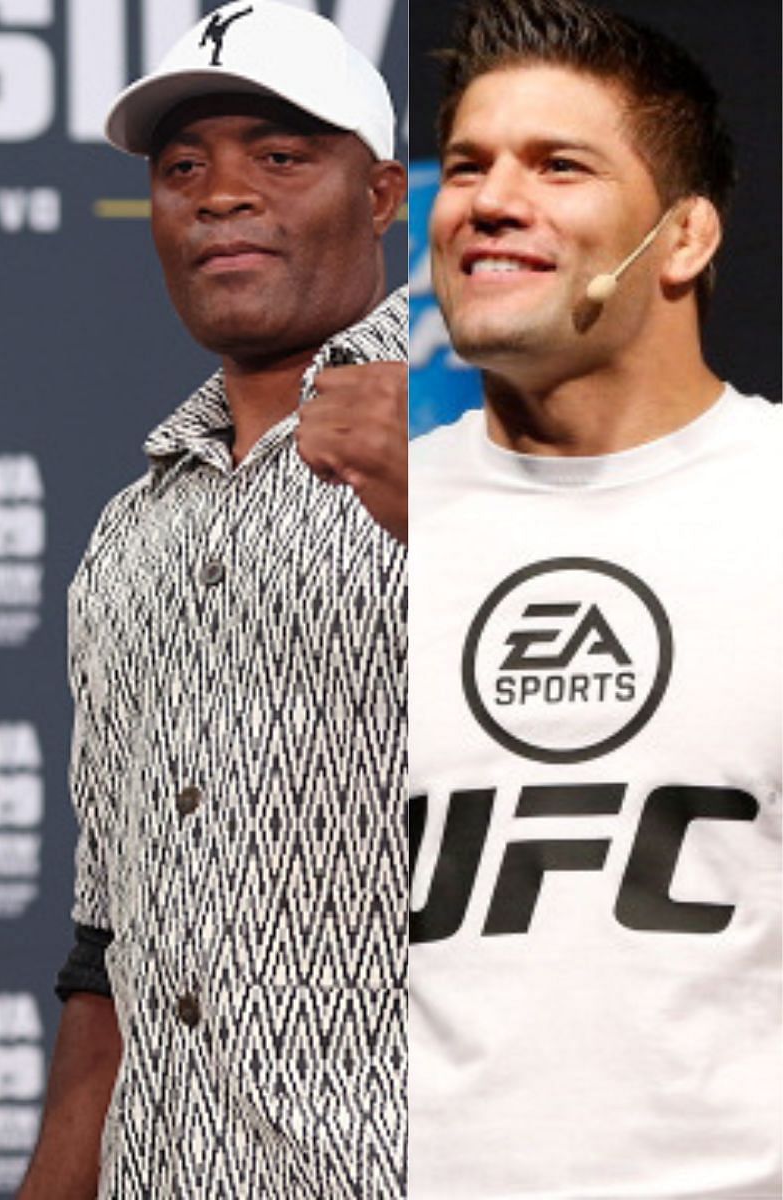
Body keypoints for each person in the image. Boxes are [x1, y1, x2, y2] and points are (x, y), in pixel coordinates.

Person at [16, 3, 409, 1196]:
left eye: (280, 158)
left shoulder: (502, 437)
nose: (220, 194)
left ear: (386, 195)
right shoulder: (130, 534)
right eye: (183, 168)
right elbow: (107, 949)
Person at [410, 0, 781, 1194]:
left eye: (558, 166)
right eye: (468, 166)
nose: (489, 202)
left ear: (683, 240)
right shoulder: (349, 533)